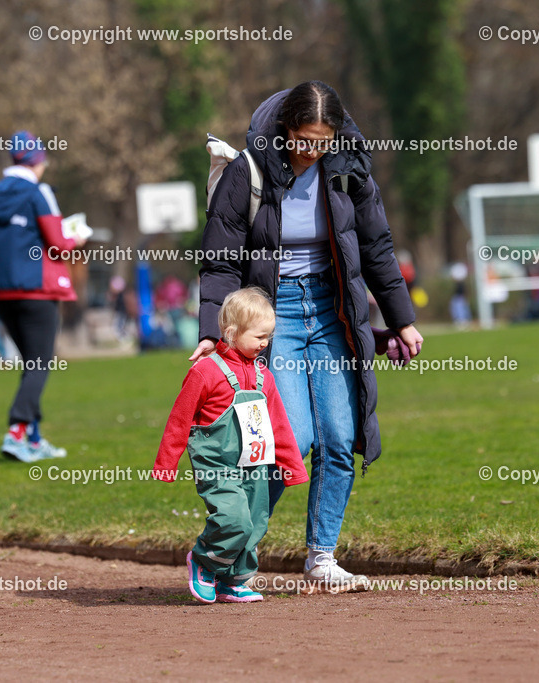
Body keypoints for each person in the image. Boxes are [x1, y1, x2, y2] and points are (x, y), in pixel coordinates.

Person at [193, 81, 423, 591]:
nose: (310, 152)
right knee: (289, 441)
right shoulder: (247, 171)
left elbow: (377, 246)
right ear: (284, 130)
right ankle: (226, 550)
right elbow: (220, 259)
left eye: (321, 142)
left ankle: (322, 557)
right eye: (302, 140)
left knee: (339, 438)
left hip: (332, 311)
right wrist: (213, 332)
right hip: (273, 316)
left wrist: (401, 318)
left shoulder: (348, 171)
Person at [155, 288, 308, 603]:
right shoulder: (205, 371)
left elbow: (279, 425)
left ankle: (234, 581)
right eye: (259, 336)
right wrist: (166, 464)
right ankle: (203, 561)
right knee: (233, 519)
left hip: (255, 464)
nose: (265, 343)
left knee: (254, 524)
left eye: (269, 336)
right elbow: (180, 419)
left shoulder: (264, 376)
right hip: (217, 465)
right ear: (232, 332)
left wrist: (292, 467)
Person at [0, 130, 85, 462]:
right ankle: (16, 431)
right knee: (39, 363)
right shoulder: (39, 192)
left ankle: (34, 440)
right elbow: (58, 243)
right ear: (38, 160)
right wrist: (77, 238)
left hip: (1, 289)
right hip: (37, 289)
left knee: (31, 366)